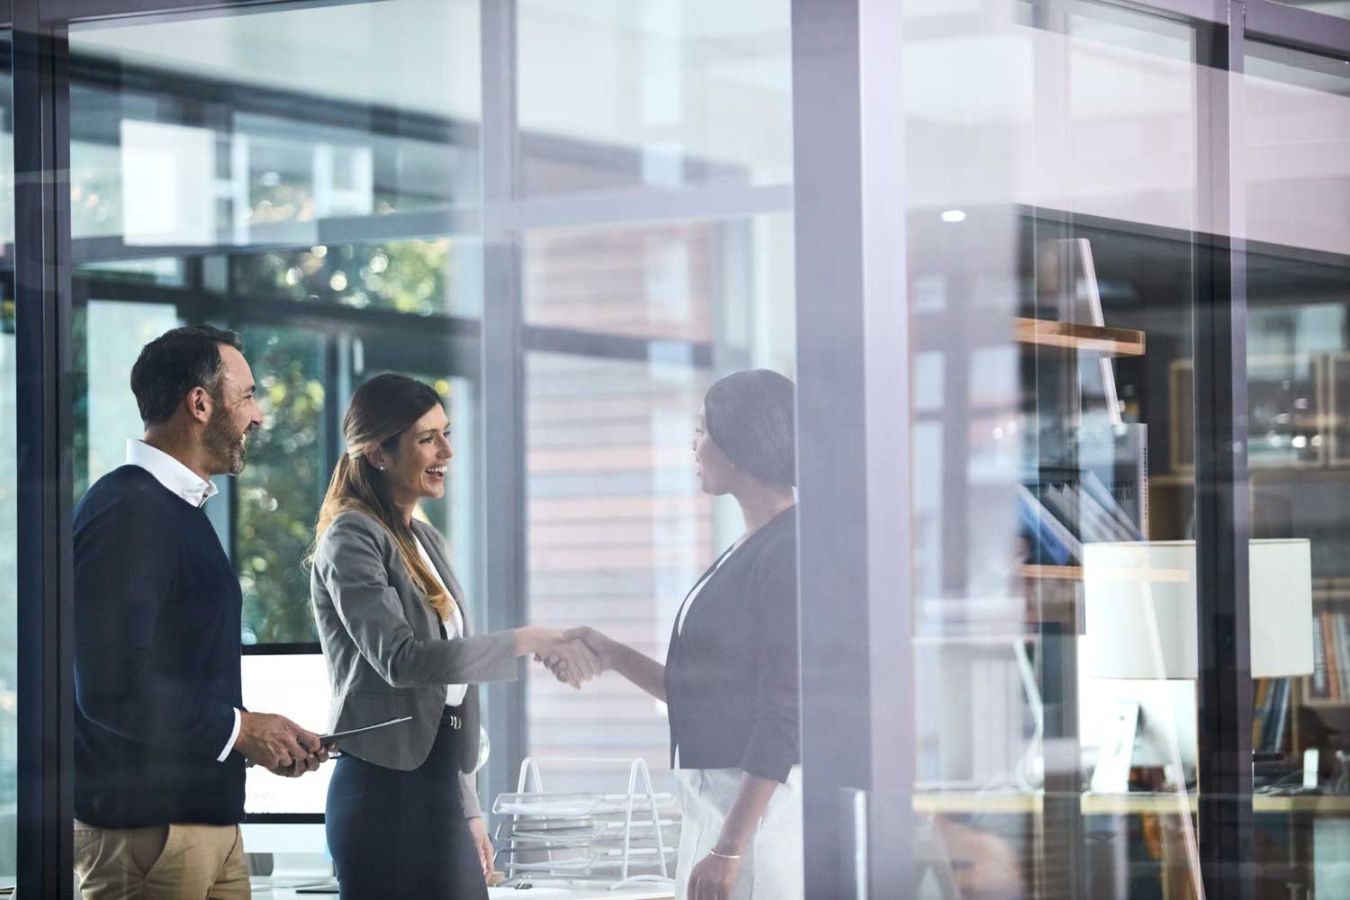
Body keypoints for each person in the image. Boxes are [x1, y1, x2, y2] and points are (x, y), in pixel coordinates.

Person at [309, 373, 599, 900]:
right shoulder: (351, 536)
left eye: (447, 433)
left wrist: (467, 805)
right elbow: (401, 659)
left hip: (439, 787)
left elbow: (449, 698)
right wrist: (522, 640)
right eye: (427, 438)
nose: (447, 450)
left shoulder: (425, 538)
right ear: (378, 453)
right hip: (383, 795)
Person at [73, 325, 327, 900]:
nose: (257, 416)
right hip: (150, 839)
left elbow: (181, 673)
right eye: (248, 396)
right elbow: (111, 686)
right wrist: (240, 730)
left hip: (202, 829)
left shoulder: (174, 509)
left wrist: (261, 738)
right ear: (200, 402)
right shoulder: (127, 511)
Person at [562, 369, 801, 900]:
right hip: (716, 814)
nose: (693, 445)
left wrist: (731, 846)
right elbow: (702, 693)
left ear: (741, 442)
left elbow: (784, 709)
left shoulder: (787, 552)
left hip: (755, 822)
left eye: (701, 431)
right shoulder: (752, 545)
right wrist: (613, 654)